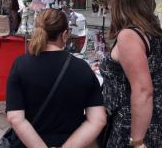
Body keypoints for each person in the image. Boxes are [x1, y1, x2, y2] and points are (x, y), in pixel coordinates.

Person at [6, 8, 106, 148]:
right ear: (64, 34)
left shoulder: (20, 65)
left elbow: (15, 118)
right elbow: (98, 120)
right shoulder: (82, 68)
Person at [100, 0, 162, 147]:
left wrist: (137, 141)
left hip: (133, 120)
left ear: (119, 5)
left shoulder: (129, 35)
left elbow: (143, 90)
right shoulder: (153, 31)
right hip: (157, 113)